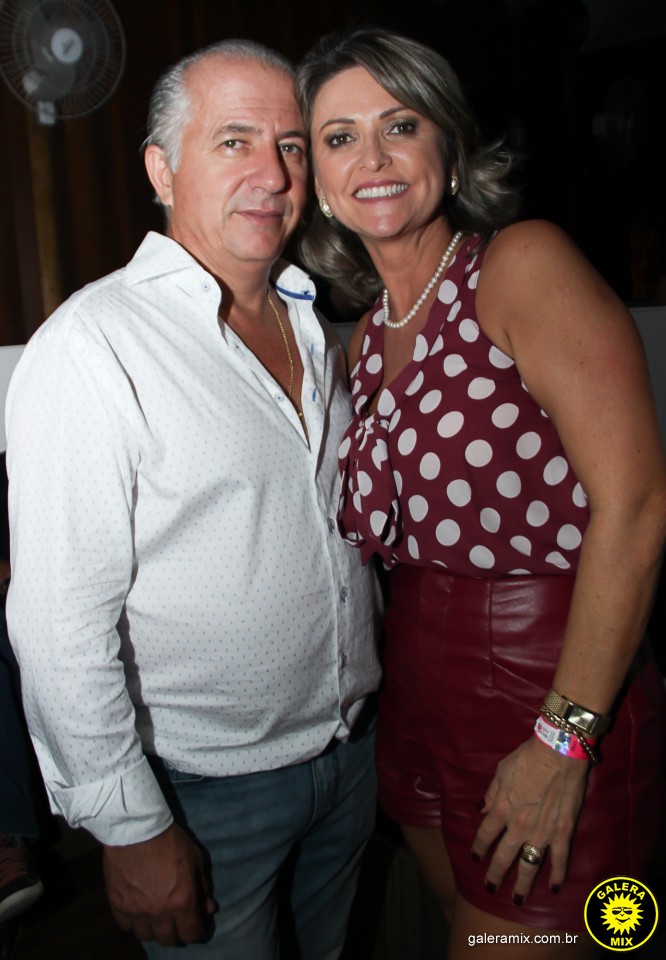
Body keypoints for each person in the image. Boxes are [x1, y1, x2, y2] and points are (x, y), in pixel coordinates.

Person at [6, 39, 382, 960]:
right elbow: (57, 622)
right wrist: (130, 825)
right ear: (160, 170)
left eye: (291, 147)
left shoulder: (312, 322)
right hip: (205, 795)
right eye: (234, 142)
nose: (273, 175)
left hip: (353, 757)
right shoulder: (94, 346)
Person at [296, 26, 666, 959]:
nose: (372, 158)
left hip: (548, 680)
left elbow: (636, 509)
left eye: (400, 125)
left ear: (450, 148)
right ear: (319, 180)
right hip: (413, 698)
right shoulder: (362, 340)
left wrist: (565, 738)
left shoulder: (520, 265)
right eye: (339, 137)